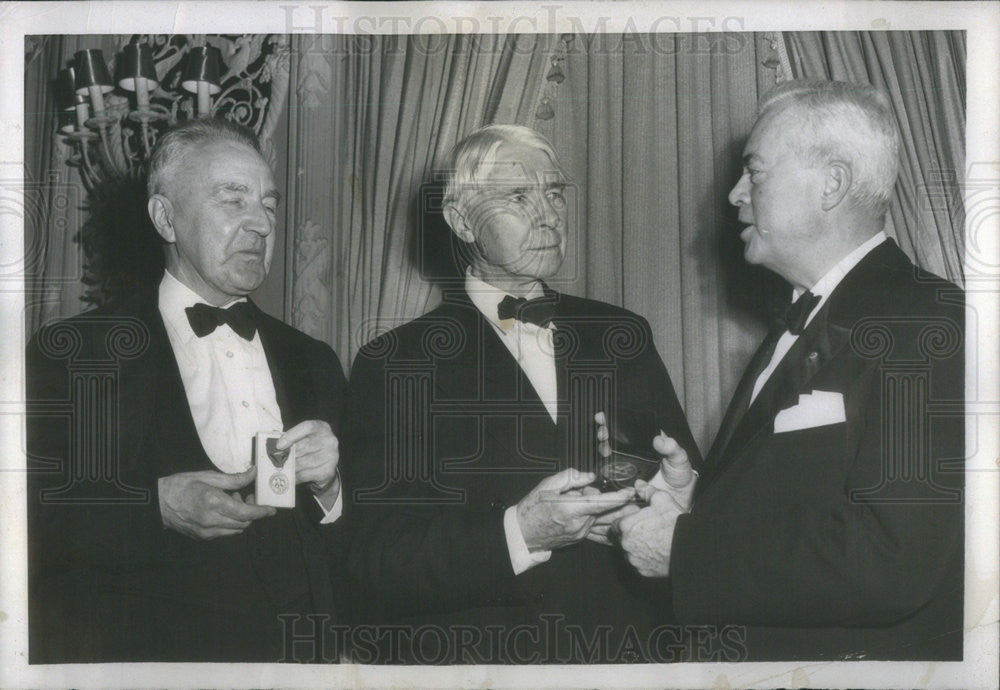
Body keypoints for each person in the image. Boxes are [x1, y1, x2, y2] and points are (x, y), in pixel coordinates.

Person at [611, 80, 965, 660]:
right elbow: (809, 504)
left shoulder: (927, 319)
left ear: (832, 184)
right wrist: (701, 501)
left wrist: (687, 551)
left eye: (755, 172)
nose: (733, 195)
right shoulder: (797, 324)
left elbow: (893, 560)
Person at [341, 124, 699, 663]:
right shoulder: (395, 363)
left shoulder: (623, 335)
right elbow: (376, 560)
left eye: (554, 192)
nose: (549, 214)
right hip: (487, 662)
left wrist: (685, 490)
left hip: (628, 656)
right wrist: (520, 532)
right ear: (462, 221)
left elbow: (687, 493)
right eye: (517, 196)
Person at [26, 118, 347, 663]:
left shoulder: (312, 360)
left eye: (269, 204)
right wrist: (155, 507)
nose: (262, 224)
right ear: (165, 218)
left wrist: (330, 486)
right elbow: (27, 521)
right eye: (233, 200)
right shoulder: (76, 353)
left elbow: (368, 546)